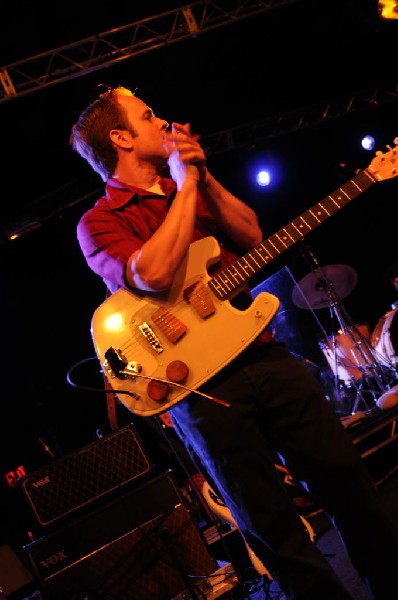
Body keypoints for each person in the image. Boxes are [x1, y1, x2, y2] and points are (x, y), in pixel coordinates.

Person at [69, 85, 398, 599]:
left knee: (350, 487)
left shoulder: (190, 187)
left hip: (264, 353)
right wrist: (182, 189)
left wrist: (202, 179)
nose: (163, 120)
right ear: (121, 138)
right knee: (273, 527)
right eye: (148, 114)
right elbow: (151, 275)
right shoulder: (99, 223)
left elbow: (251, 236)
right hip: (204, 393)